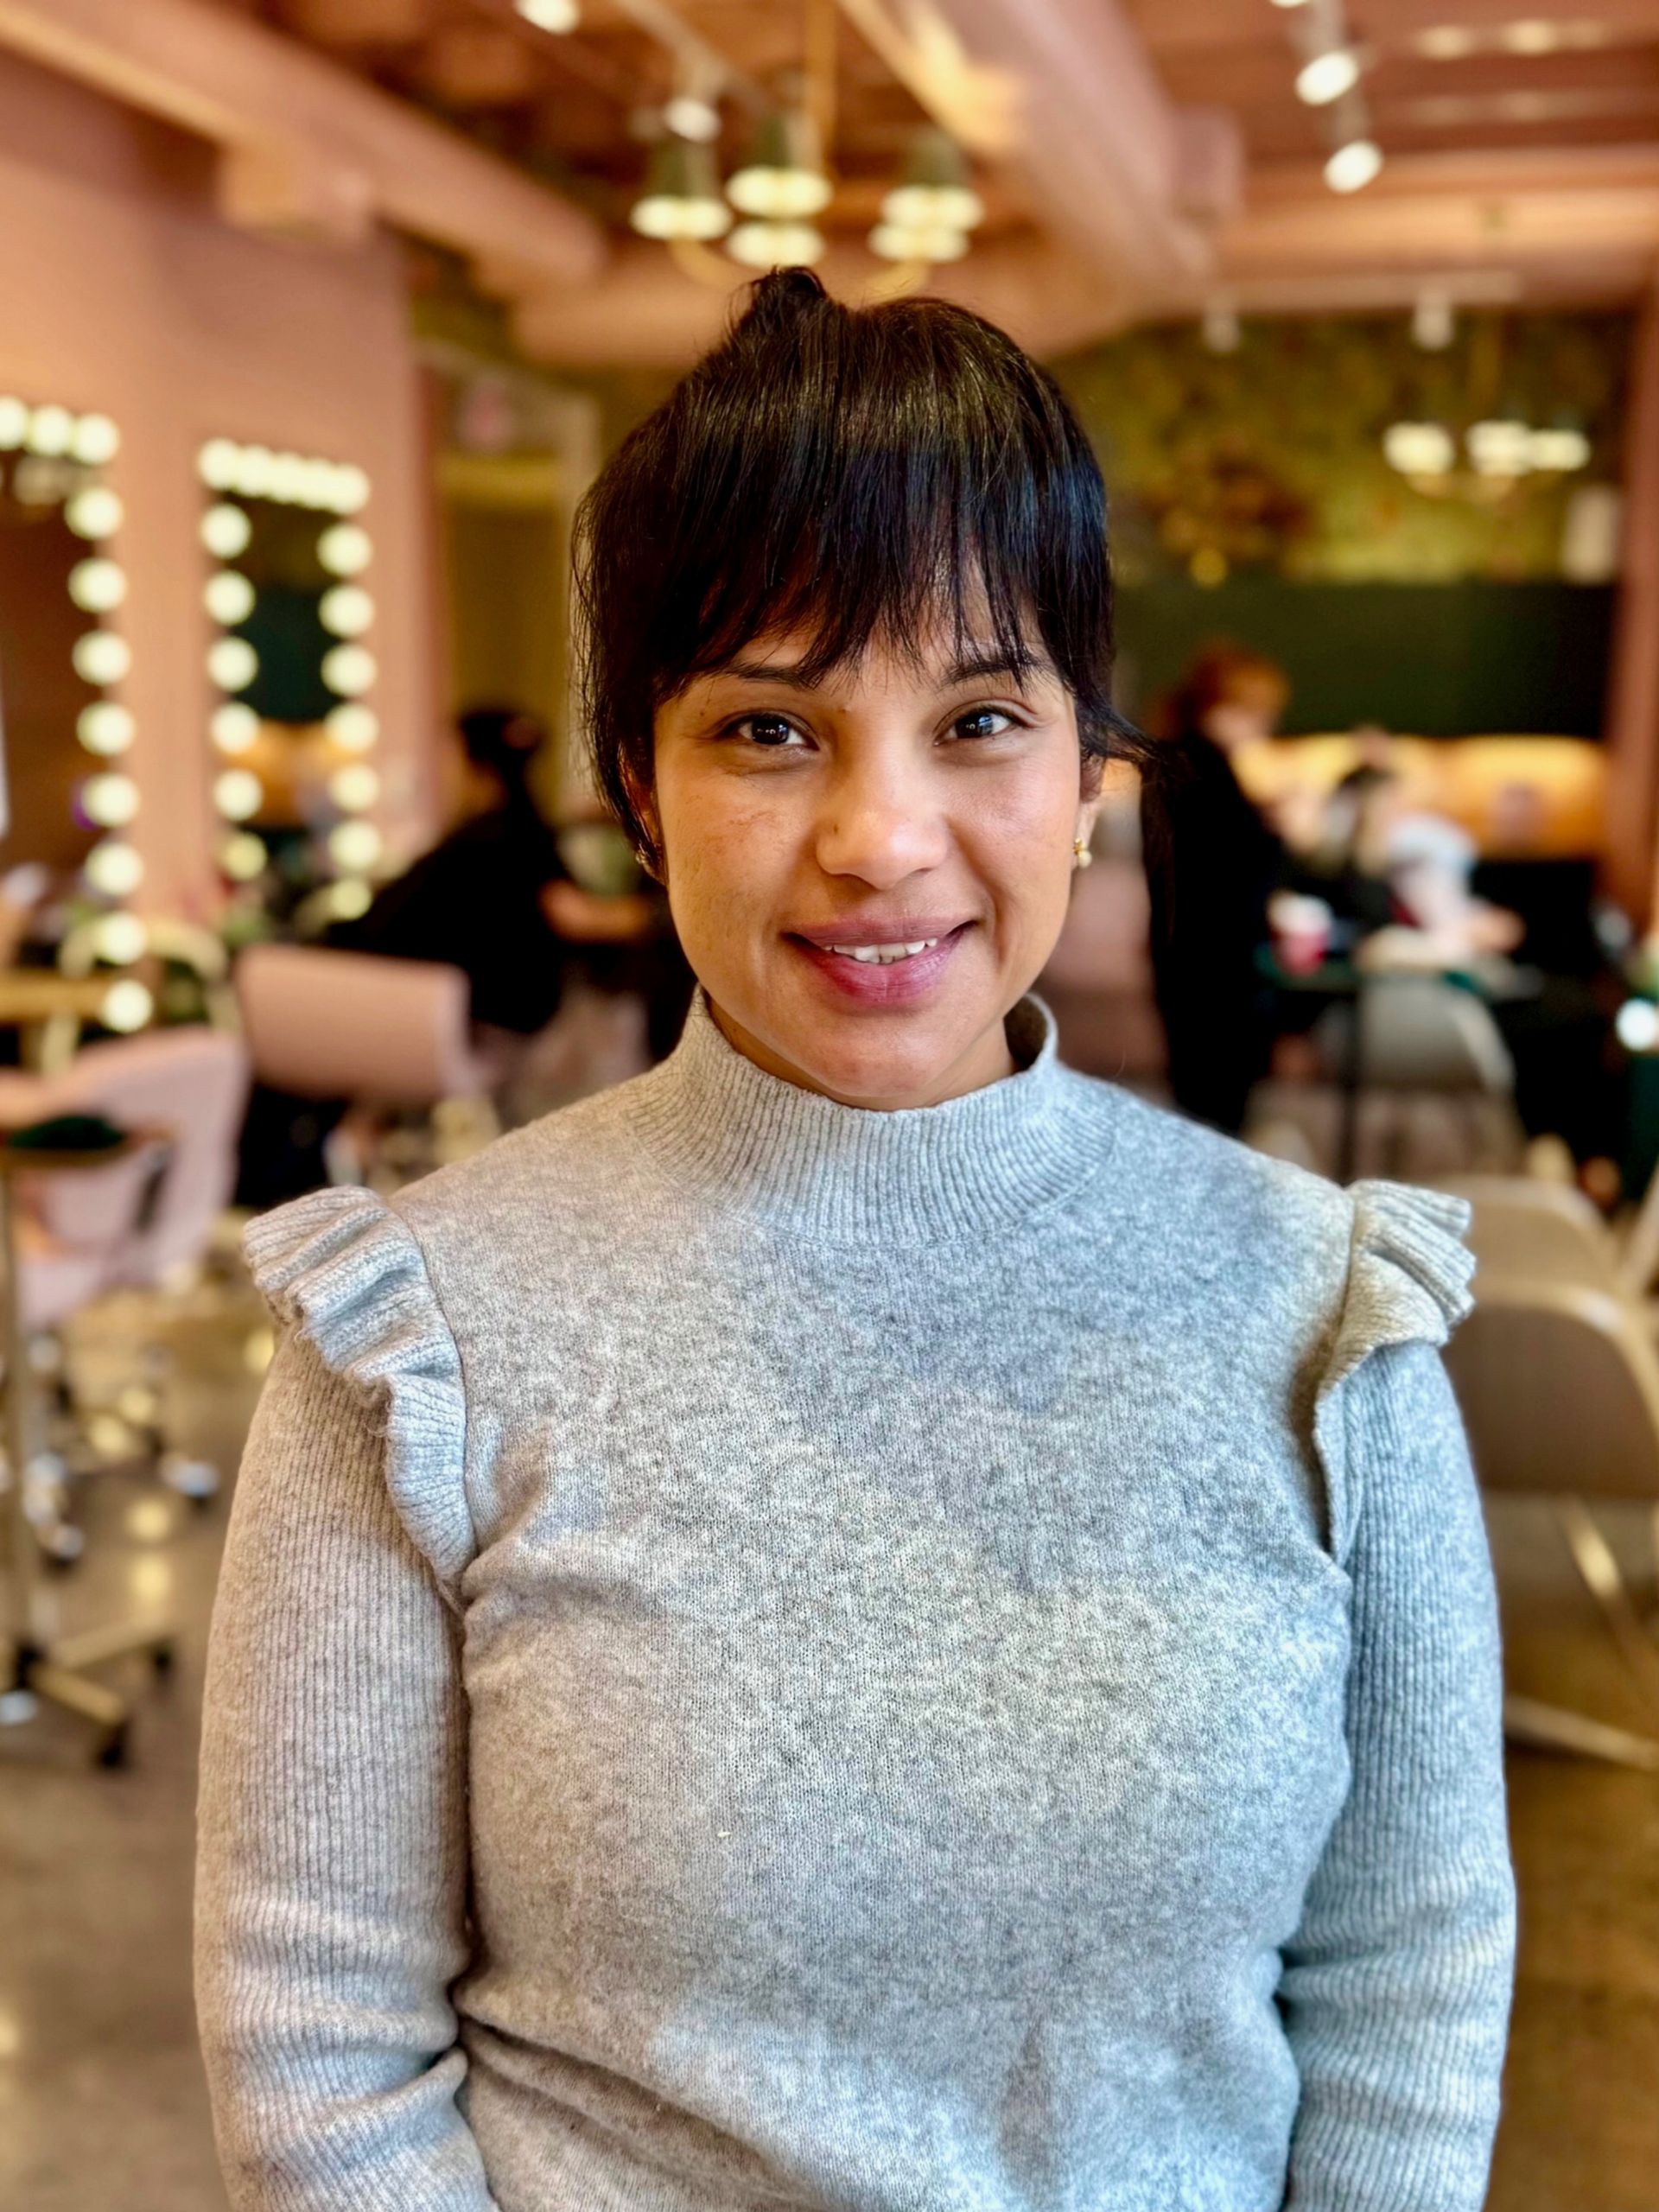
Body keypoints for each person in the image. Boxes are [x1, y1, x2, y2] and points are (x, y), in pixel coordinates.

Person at [195, 270, 1515, 2212]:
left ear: (1088, 782)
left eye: (980, 717)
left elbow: (1406, 1986)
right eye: (768, 728)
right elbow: (321, 2047)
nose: (883, 838)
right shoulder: (422, 1341)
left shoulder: (1323, 1313)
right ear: (641, 792)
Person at [1141, 642, 1288, 1134]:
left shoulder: (1175, 759)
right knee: (1218, 1101)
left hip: (1183, 948)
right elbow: (1229, 864)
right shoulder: (1200, 765)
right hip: (1212, 956)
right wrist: (1276, 834)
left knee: (1199, 1095)